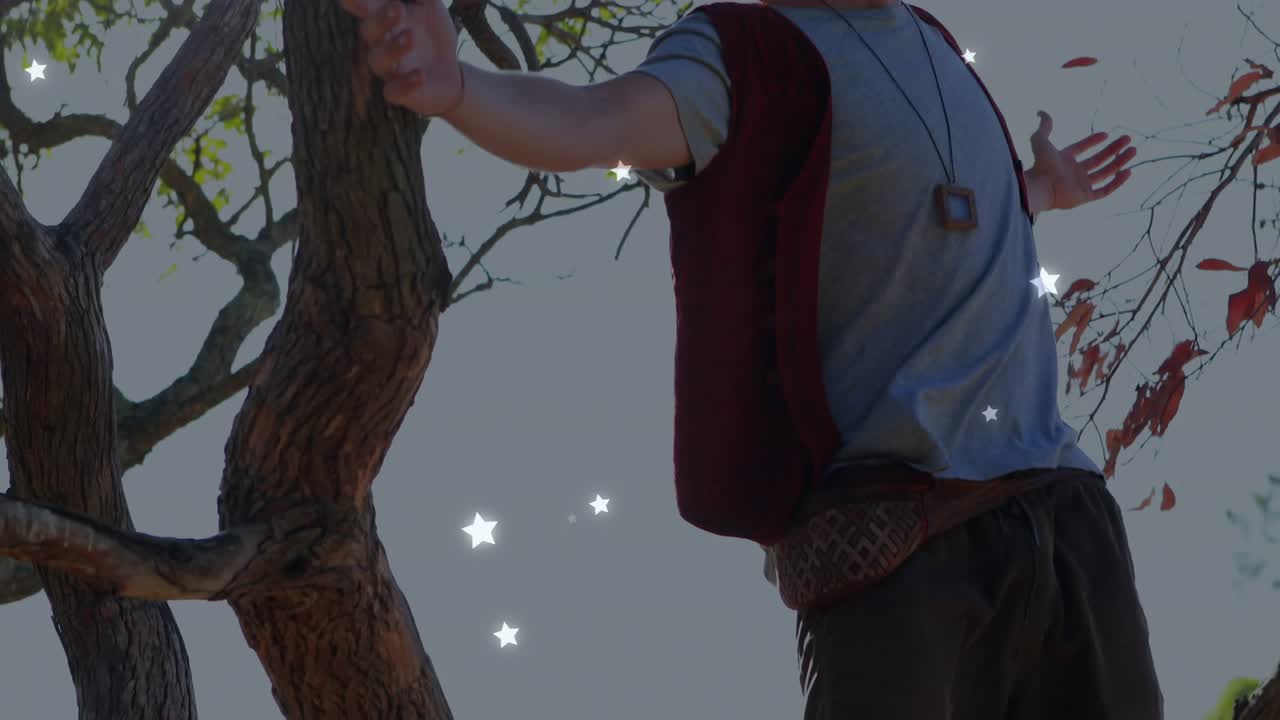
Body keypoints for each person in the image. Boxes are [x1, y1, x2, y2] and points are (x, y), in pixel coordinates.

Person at [338, 0, 1163, 717]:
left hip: (1064, 514)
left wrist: (1037, 193)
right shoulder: (742, 59)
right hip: (902, 543)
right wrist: (457, 90)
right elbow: (590, 121)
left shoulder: (934, 40)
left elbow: (932, 216)